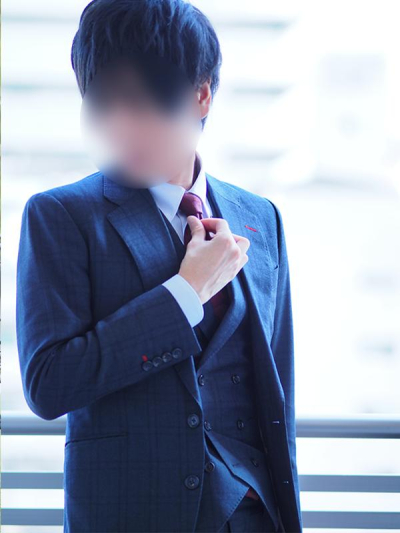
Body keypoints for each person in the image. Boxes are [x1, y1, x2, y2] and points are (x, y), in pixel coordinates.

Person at [15, 1, 302, 532]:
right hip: (132, 515)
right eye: (103, 103)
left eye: (141, 102)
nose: (121, 126)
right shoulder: (61, 216)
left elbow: (276, 392)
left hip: (254, 515)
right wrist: (185, 294)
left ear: (200, 95)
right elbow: (48, 384)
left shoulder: (260, 218)